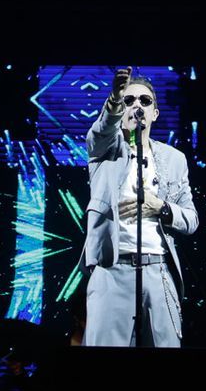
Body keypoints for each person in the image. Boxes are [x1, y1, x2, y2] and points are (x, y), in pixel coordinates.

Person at [81, 71, 199, 348]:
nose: (137, 106)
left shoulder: (174, 159)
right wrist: (114, 99)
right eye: (129, 100)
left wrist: (161, 207)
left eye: (144, 101)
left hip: (159, 271)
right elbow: (99, 133)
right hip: (112, 269)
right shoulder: (104, 150)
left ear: (154, 113)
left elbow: (191, 219)